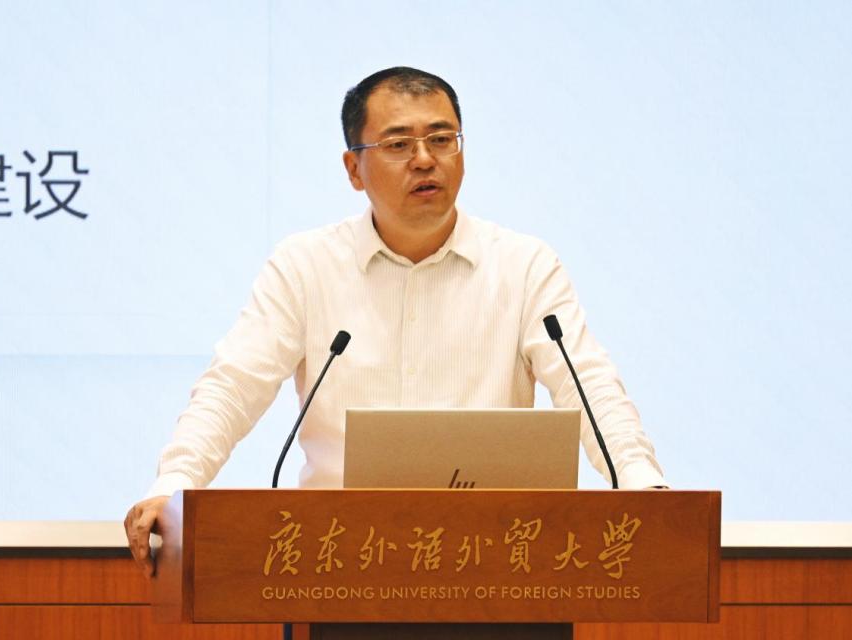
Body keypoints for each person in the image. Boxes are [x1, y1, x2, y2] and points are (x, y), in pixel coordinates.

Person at [125, 66, 666, 577]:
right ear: (353, 169)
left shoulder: (524, 266)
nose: (425, 160)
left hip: (500, 559)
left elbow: (588, 385)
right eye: (399, 145)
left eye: (442, 139)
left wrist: (641, 484)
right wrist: (176, 481)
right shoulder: (305, 266)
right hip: (337, 559)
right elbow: (234, 386)